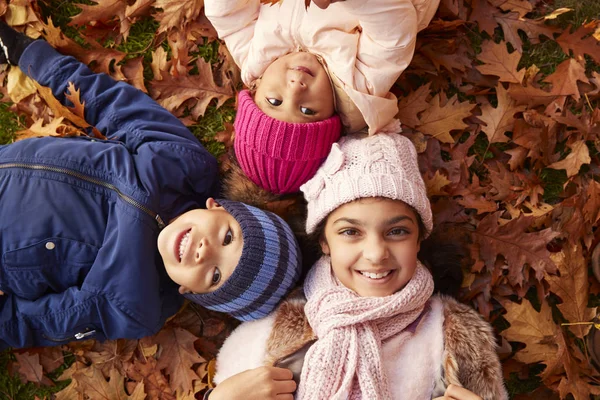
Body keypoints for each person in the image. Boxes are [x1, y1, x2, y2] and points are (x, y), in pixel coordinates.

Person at [0, 22, 302, 350]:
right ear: (218, 206)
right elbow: (111, 102)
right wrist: (27, 53)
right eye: (228, 237)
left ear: (193, 293)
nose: (206, 251)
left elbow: (32, 321)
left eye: (216, 276)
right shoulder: (182, 163)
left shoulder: (133, 302)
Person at [205, 132, 508, 399]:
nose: (376, 254)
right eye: (351, 232)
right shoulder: (277, 318)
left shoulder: (451, 334)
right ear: (324, 242)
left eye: (397, 231)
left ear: (419, 240)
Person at [203, 0, 440, 194]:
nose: (295, 89)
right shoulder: (359, 83)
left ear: (255, 90)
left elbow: (227, 16)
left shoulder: (254, 60)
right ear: (332, 116)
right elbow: (392, 32)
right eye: (307, 110)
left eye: (275, 101)